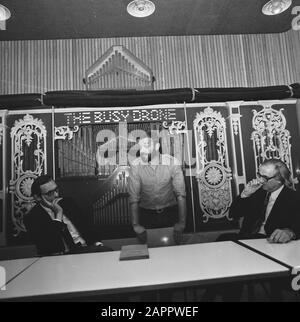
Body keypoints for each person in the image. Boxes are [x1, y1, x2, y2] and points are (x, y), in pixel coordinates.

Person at [24, 175, 110, 256]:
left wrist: (97, 244)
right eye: (50, 193)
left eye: (56, 190)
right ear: (37, 197)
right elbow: (51, 247)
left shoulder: (68, 203)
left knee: (108, 251)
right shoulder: (32, 217)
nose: (56, 195)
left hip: (85, 250)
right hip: (60, 257)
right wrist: (59, 214)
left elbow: (87, 227)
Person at [218, 158, 300, 243]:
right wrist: (245, 194)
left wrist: (290, 233)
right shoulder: (256, 191)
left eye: (264, 177)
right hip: (247, 238)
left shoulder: (294, 198)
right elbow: (233, 214)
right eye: (259, 175)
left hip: (271, 242)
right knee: (222, 238)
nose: (260, 180)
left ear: (279, 180)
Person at [127, 134, 187, 245]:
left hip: (170, 212)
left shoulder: (172, 162)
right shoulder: (135, 165)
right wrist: (135, 225)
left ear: (157, 146)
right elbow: (133, 197)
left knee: (173, 252)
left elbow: (181, 194)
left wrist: (182, 223)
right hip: (146, 215)